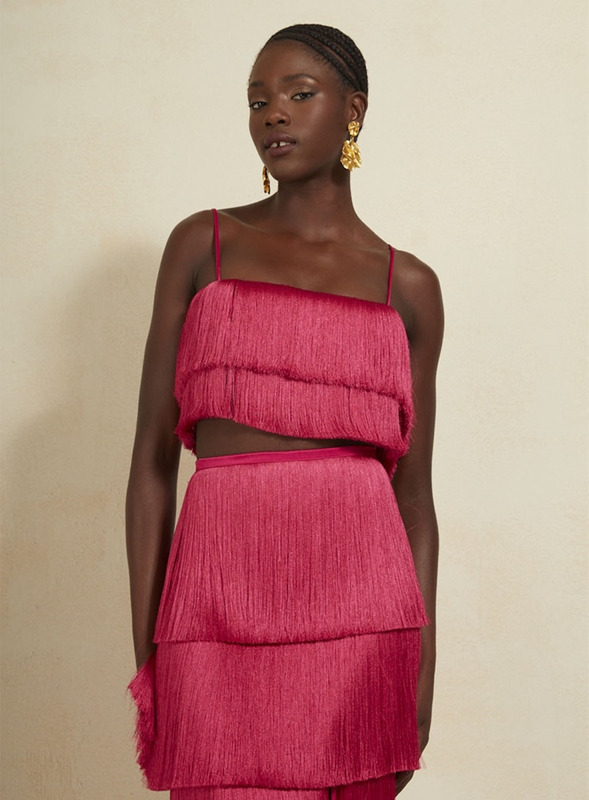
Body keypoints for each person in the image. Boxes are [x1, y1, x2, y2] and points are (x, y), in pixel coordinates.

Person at [126, 23, 443, 800]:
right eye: (256, 100)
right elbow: (149, 469)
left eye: (300, 94)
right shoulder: (203, 245)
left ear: (352, 111)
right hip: (216, 608)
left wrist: (421, 668)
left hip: (364, 619)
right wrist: (151, 651)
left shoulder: (408, 287)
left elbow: (414, 500)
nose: (273, 113)